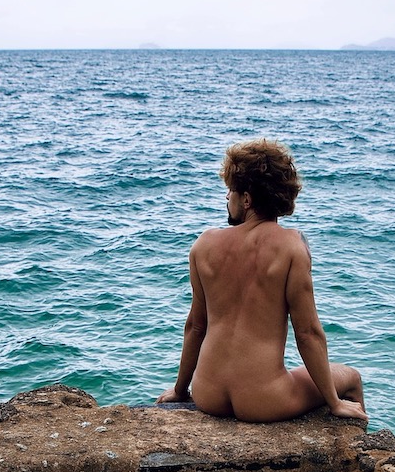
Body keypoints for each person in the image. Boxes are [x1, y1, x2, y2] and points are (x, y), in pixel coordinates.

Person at [157, 140, 367, 423]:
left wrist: (180, 390)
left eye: (231, 191)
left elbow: (195, 326)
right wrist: (334, 402)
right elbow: (307, 333)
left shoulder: (203, 244)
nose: (227, 198)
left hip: (207, 393)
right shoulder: (290, 246)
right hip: (264, 400)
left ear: (247, 199)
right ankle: (358, 443)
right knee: (351, 377)